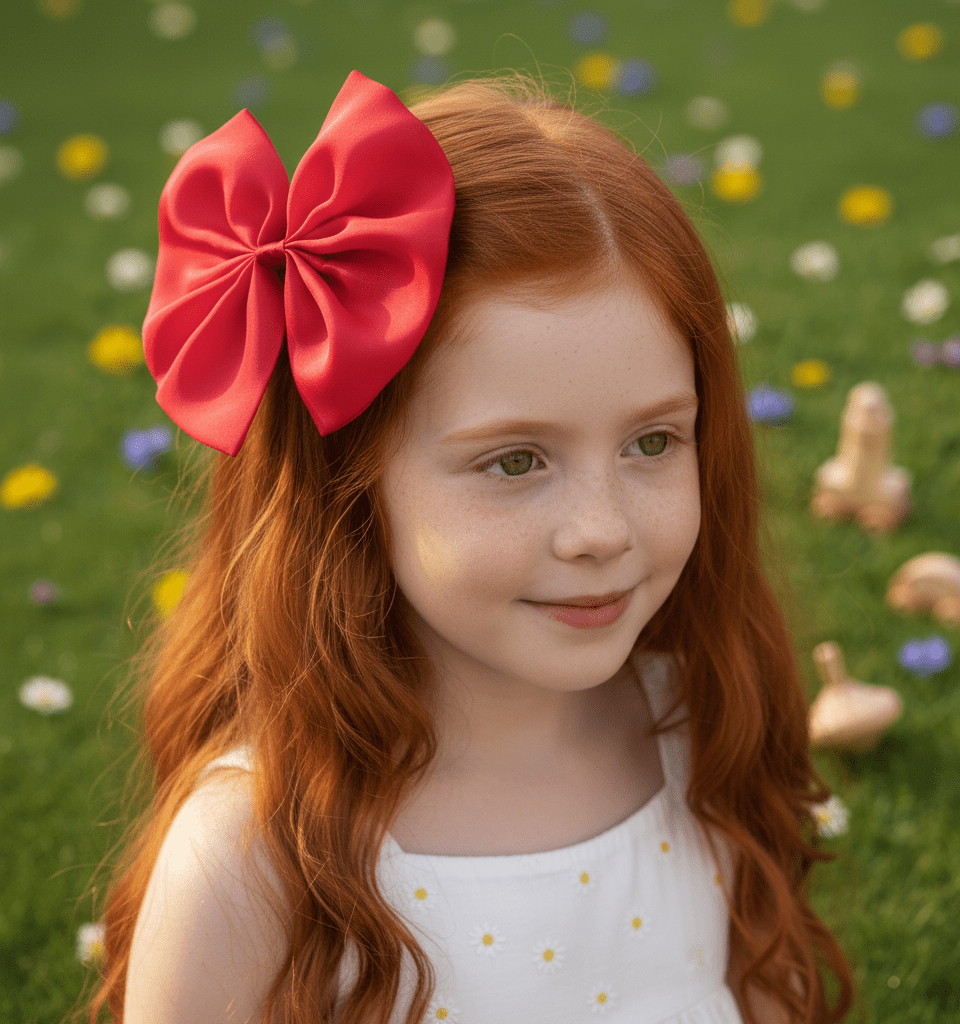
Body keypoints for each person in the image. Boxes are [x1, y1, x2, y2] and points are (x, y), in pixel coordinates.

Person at [74, 70, 854, 1024]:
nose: (602, 530)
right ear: (349, 485)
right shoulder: (257, 859)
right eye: (516, 461)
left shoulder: (697, 724)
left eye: (653, 442)